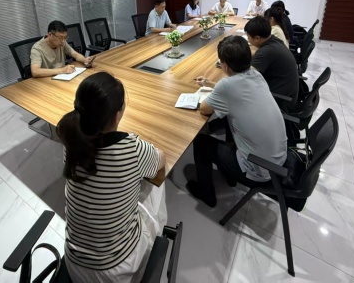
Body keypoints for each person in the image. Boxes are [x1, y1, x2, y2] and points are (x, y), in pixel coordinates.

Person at [58, 71, 167, 282]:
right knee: (155, 182)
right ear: (117, 116)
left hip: (73, 261)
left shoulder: (71, 141)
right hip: (115, 269)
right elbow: (161, 159)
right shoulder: (132, 149)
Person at [186, 36, 287, 208]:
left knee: (201, 142)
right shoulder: (256, 74)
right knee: (229, 118)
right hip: (277, 158)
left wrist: (215, 89)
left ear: (224, 65)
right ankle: (230, 175)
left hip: (259, 168)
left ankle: (207, 194)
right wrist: (211, 84)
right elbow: (234, 91)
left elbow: (204, 109)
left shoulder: (227, 86)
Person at [244, 16, 299, 110]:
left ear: (257, 38)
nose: (248, 39)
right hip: (288, 94)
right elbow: (256, 54)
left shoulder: (266, 51)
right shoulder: (274, 41)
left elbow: (246, 79)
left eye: (248, 37)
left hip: (281, 101)